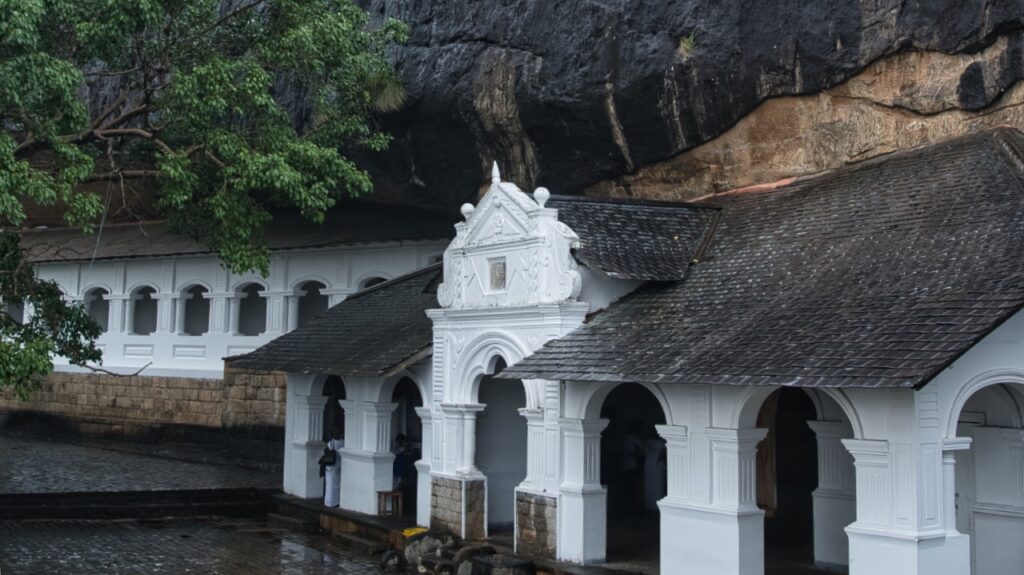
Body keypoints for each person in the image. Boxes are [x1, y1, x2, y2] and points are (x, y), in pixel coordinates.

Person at [643, 427, 667, 510]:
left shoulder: (660, 443)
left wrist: (661, 457)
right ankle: (650, 503)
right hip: (650, 462)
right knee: (651, 482)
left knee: (657, 482)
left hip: (656, 463)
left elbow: (664, 452)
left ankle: (655, 503)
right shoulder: (650, 442)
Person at [322, 422, 343, 508]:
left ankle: (329, 502)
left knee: (329, 485)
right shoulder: (343, 442)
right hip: (339, 464)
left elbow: (326, 450)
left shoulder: (331, 443)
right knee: (337, 485)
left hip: (330, 466)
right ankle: (336, 501)